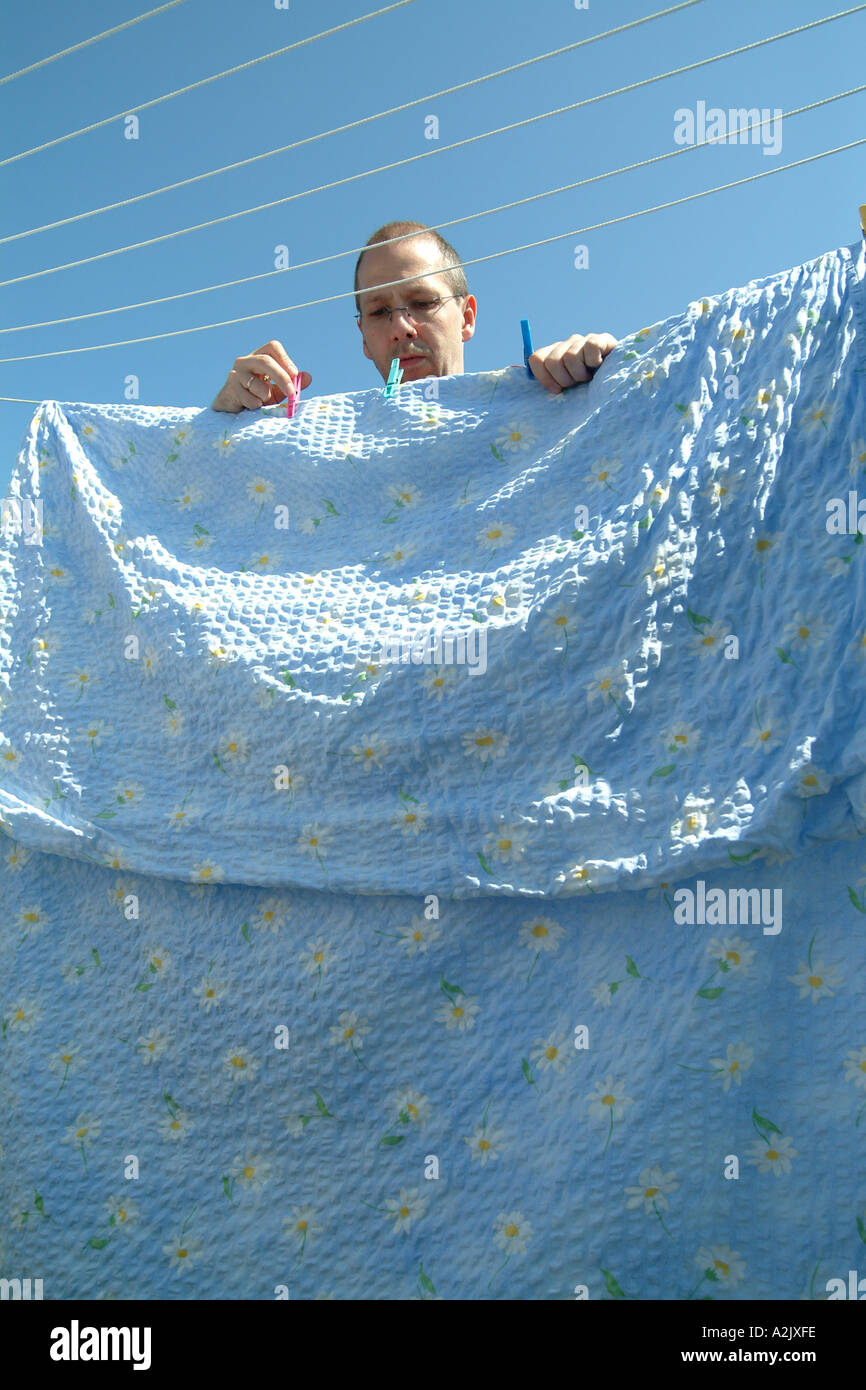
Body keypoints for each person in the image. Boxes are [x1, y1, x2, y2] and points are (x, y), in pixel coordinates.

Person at [210, 220, 618, 412]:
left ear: (467, 317)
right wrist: (222, 432)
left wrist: (607, 374)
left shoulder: (543, 402)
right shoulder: (328, 448)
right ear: (363, 339)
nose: (402, 328)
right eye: (380, 311)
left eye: (422, 303)